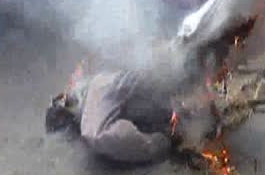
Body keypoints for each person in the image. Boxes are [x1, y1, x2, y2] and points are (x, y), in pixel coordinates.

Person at [46, 70, 174, 164]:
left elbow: (120, 137)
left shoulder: (92, 131)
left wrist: (162, 142)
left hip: (169, 82)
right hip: (158, 74)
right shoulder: (91, 85)